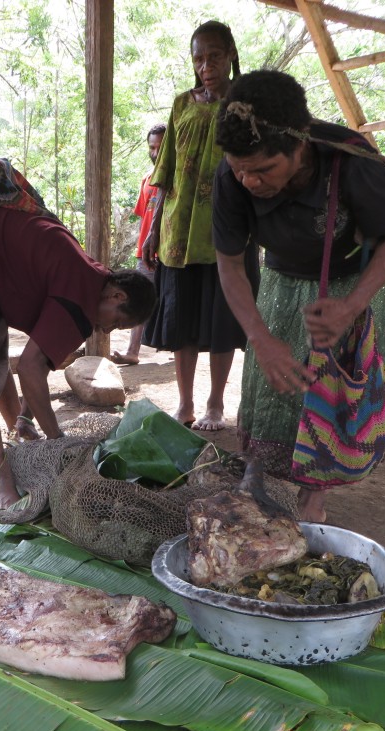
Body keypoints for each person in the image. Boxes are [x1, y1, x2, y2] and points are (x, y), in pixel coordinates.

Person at [213, 70, 385, 522]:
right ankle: (260, 477)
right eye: (239, 169)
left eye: (263, 170)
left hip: (350, 285)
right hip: (281, 283)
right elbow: (230, 263)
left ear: (299, 146)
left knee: (331, 391)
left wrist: (351, 305)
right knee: (273, 389)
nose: (248, 181)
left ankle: (313, 493)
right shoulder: (234, 173)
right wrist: (259, 338)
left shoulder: (353, 161)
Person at [0, 159, 157, 512]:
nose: (108, 331)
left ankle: (16, 438)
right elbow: (30, 369)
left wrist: (27, 419)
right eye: (117, 323)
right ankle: (3, 484)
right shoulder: (81, 300)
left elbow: (37, 364)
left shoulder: (90, 279)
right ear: (117, 296)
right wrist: (57, 441)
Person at [141, 20, 259, 432]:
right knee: (183, 323)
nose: (205, 65)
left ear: (230, 56)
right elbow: (165, 170)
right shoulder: (180, 104)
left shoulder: (246, 106)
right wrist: (154, 227)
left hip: (226, 233)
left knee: (221, 323)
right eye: (198, 58)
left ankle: (215, 403)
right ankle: (186, 403)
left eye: (213, 56)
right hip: (178, 232)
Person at [109, 123, 165, 366]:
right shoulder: (147, 180)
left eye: (160, 147)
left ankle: (176, 345)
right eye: (151, 147)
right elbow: (145, 218)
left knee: (173, 299)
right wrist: (142, 246)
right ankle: (133, 351)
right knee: (140, 297)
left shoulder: (176, 181)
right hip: (146, 253)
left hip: (172, 252)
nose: (155, 153)